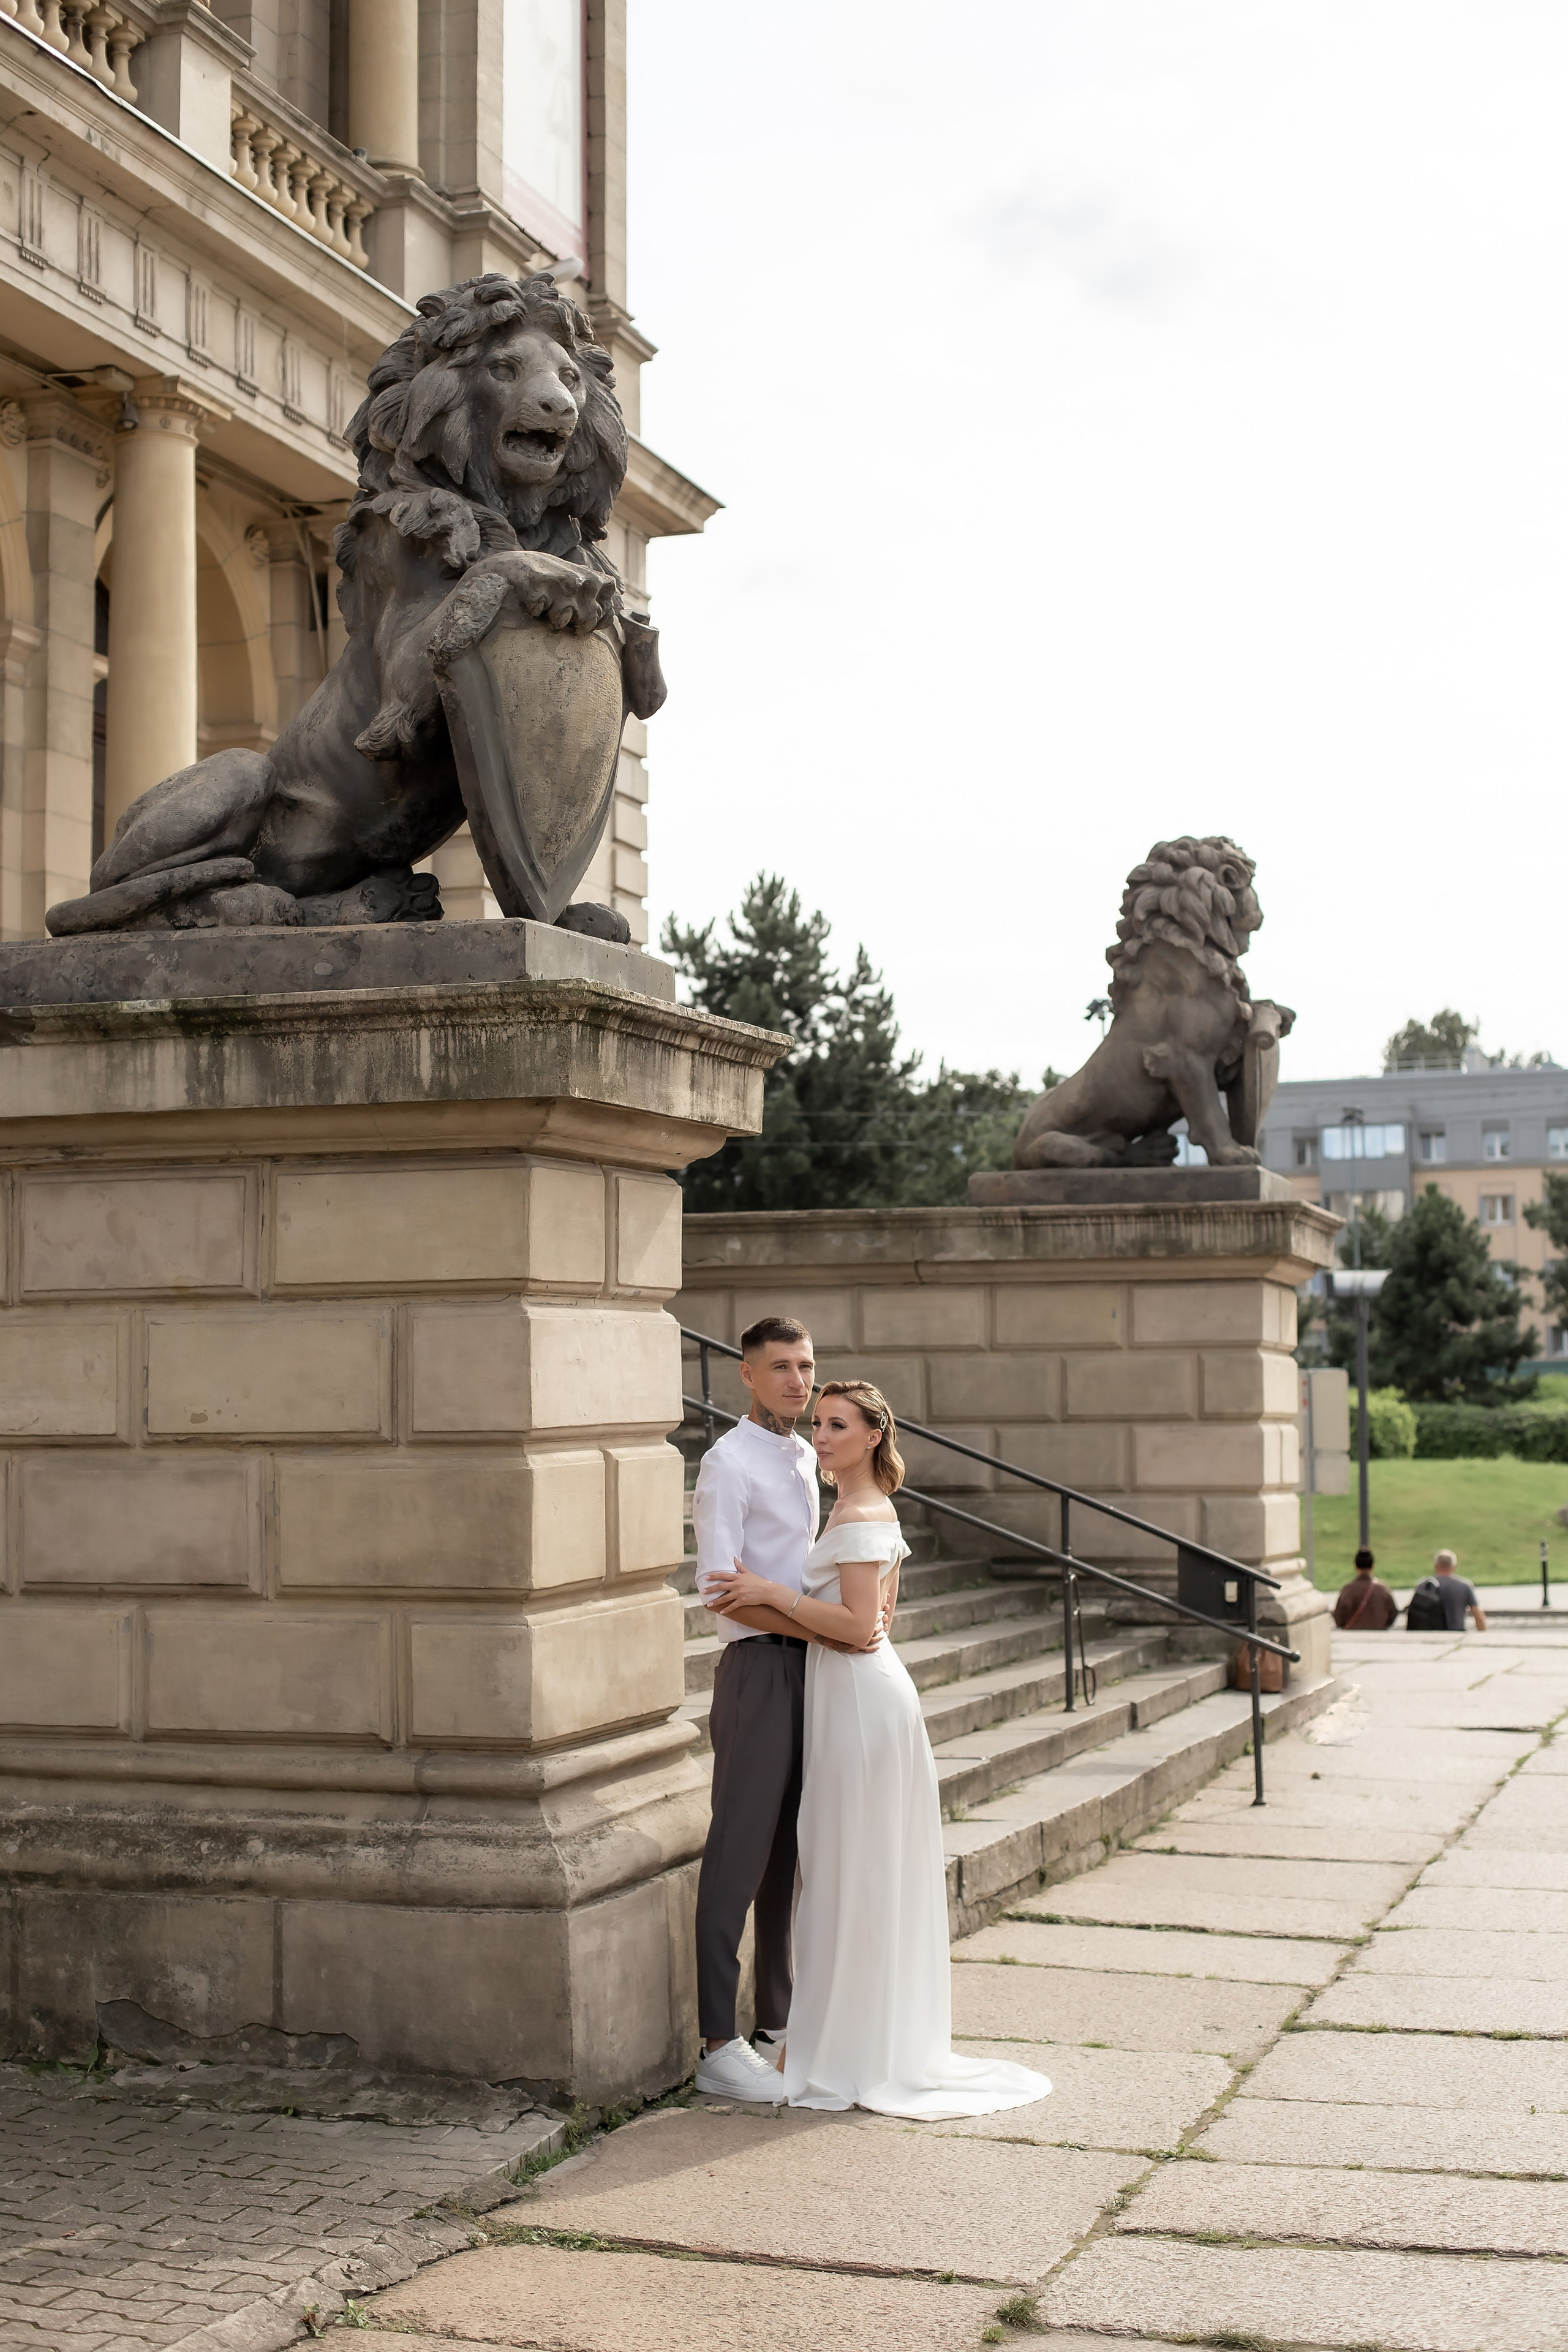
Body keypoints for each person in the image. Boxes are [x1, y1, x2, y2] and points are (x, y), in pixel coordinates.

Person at [708, 1378, 1051, 2122]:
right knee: (837, 1871)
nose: (821, 1435)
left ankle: (849, 2053)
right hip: (847, 1694)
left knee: (847, 1874)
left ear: (872, 1437)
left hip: (863, 1705)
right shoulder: (844, 1506)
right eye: (819, 1423)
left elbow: (860, 1628)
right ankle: (832, 2043)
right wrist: (774, 1605)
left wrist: (770, 1593)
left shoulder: (862, 1512)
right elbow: (856, 1627)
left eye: (837, 1425)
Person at [688, 1316, 825, 2102]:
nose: (796, 1382)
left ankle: (777, 2021)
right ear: (746, 1374)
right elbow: (723, 1594)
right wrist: (811, 1621)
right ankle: (716, 2043)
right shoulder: (727, 1464)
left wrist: (813, 1625)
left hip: (812, 1671)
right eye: (779, 1368)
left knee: (787, 1859)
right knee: (738, 1855)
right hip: (756, 1673)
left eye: (805, 1366)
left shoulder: (807, 1455)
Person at [1407, 1548, 1487, 1633]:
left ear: (1436, 1566)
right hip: (1457, 1634)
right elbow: (1479, 1617)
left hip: (1430, 1635)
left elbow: (1413, 1615)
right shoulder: (1465, 1586)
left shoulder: (1424, 1585)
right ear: (1454, 1566)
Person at [1333, 1547, 1399, 1630]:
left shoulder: (1347, 1590)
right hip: (1379, 1637)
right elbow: (1392, 1615)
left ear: (1356, 1566)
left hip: (1351, 1639)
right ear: (1373, 1566)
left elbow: (1339, 1620)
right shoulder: (1383, 1589)